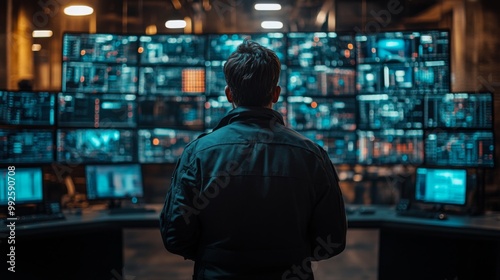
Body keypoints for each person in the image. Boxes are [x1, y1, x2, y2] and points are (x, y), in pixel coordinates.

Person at [159, 40, 347, 280]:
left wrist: (216, 257)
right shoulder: (311, 155)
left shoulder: (198, 153)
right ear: (276, 93)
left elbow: (175, 237)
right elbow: (333, 239)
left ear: (229, 94)